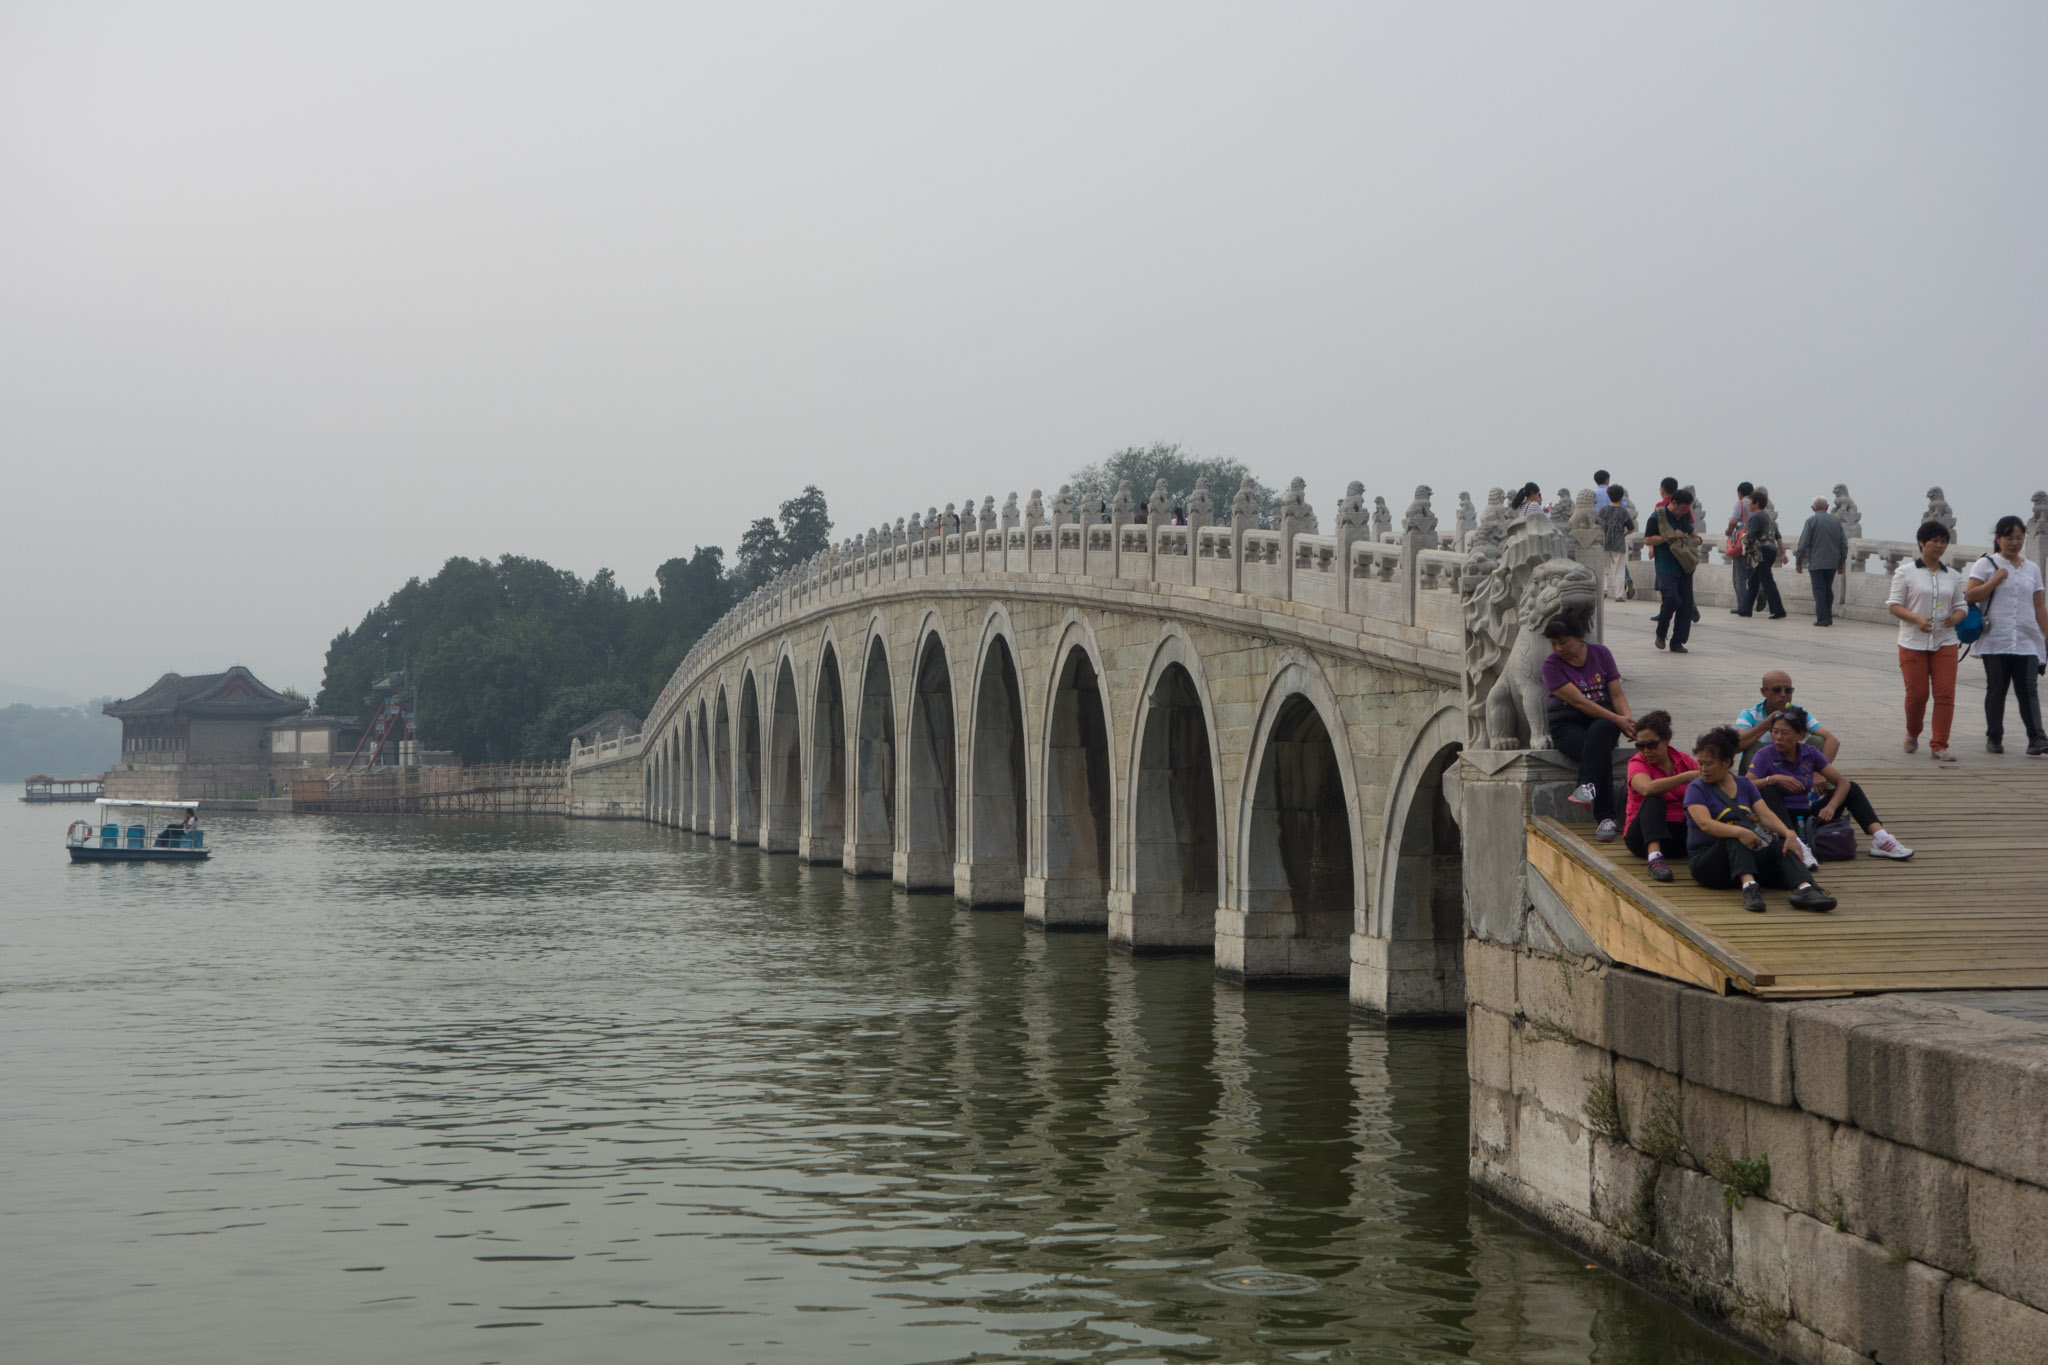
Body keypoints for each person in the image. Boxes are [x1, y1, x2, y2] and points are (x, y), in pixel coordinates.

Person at [1683, 726, 1836, 913]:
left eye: (1709, 764)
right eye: (1700, 764)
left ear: (1726, 762)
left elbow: (1765, 815)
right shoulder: (1696, 788)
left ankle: (1806, 888)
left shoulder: (1744, 784)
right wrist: (1740, 832)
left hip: (1745, 858)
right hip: (1710, 865)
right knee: (1735, 833)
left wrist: (1789, 834)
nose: (1703, 769)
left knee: (1782, 843)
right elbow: (1705, 824)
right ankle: (1750, 888)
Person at [1749, 707, 1913, 863]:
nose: (1778, 737)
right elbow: (1747, 784)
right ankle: (1796, 844)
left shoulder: (1809, 753)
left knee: (1852, 788)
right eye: (1775, 731)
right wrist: (1773, 779)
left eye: (1785, 733)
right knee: (1768, 791)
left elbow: (1842, 783)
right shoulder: (1764, 755)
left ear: (1800, 735)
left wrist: (1831, 807)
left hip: (1807, 815)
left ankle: (1881, 838)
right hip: (1780, 817)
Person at [1541, 615, 1635, 842]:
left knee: (1601, 731)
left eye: (1563, 642)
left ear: (1578, 637)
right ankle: (1607, 818)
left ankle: (1586, 787)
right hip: (1567, 722)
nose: (1558, 649)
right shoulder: (1551, 665)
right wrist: (1618, 720)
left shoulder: (1601, 654)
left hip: (1603, 719)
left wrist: (1627, 719)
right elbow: (1579, 702)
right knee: (1598, 751)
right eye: (1553, 644)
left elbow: (1616, 694)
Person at [1964, 514, 2048, 755]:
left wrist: (2046, 635)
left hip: (2027, 639)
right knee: (1997, 688)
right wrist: (1995, 580)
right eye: (2009, 537)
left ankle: (2037, 738)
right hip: (1996, 638)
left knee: (2028, 690)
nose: (2014, 542)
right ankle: (1994, 736)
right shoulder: (1985, 564)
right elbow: (1971, 595)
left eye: (2019, 538)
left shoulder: (2032, 568)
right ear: (1998, 538)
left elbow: (2039, 606)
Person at [1887, 519, 1967, 763]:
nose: (1939, 546)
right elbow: (1894, 605)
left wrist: (1956, 616)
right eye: (1935, 541)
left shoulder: (1953, 576)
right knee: (1917, 695)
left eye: (1943, 542)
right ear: (1921, 542)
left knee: (1945, 694)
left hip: (1945, 642)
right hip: (1913, 642)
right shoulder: (1905, 572)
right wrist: (1917, 620)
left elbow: (1961, 605)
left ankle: (1940, 744)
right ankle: (1913, 732)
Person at [1623, 710, 1696, 882]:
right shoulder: (1637, 763)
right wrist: (1685, 777)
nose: (1645, 751)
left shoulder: (1684, 760)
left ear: (1666, 740)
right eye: (1640, 746)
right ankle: (1654, 857)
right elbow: (1647, 789)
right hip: (1642, 837)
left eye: (1651, 745)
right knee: (1653, 798)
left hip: (1678, 834)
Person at [1734, 670, 1841, 766]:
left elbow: (1832, 740)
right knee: (1752, 745)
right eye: (1777, 690)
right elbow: (1738, 746)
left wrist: (1821, 773)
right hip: (1759, 771)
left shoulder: (1798, 713)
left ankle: (1812, 777)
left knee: (1818, 740)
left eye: (1788, 690)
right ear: (1764, 692)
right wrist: (1767, 723)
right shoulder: (1749, 715)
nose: (1783, 695)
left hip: (1791, 769)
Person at [1645, 486, 1701, 652]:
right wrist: (1668, 537)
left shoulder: (1684, 517)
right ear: (1674, 503)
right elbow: (1648, 539)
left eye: (1687, 508)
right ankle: (1661, 633)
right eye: (1683, 508)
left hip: (1685, 565)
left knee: (1686, 603)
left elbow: (1693, 533)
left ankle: (1678, 641)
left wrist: (1697, 539)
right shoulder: (1657, 516)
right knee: (1671, 598)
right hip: (1666, 564)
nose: (1685, 511)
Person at [1794, 496, 1849, 627]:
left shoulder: (1811, 521)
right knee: (1827, 589)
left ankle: (1822, 618)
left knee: (1819, 589)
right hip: (1832, 563)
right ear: (1827, 507)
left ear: (1813, 508)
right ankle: (1828, 616)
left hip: (1816, 563)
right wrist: (1842, 561)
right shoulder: (1836, 521)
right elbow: (1843, 544)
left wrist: (1798, 561)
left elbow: (1803, 544)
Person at [1734, 486, 1787, 619]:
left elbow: (1750, 537)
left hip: (1761, 552)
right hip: (1771, 551)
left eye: (1750, 501)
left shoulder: (1756, 517)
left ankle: (1779, 610)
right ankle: (1746, 609)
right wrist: (1783, 554)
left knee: (1768, 581)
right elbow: (1778, 538)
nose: (1748, 503)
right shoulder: (1769, 518)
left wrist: (1741, 541)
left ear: (1756, 503)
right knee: (1754, 581)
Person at [1597, 483, 1635, 602]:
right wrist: (1624, 534)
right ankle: (1619, 595)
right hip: (1618, 542)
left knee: (1604, 568)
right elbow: (1631, 528)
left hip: (1604, 542)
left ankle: (1604, 590)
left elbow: (1598, 526)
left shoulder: (1603, 511)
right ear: (1621, 497)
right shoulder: (1623, 512)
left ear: (1609, 496)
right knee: (1619, 569)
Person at [1726, 482, 1755, 615]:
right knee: (1755, 574)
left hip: (1742, 542)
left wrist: (1729, 531)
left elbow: (1733, 521)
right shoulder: (1757, 504)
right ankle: (1761, 592)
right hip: (1755, 542)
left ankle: (1743, 606)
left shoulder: (1741, 503)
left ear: (1739, 493)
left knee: (1740, 577)